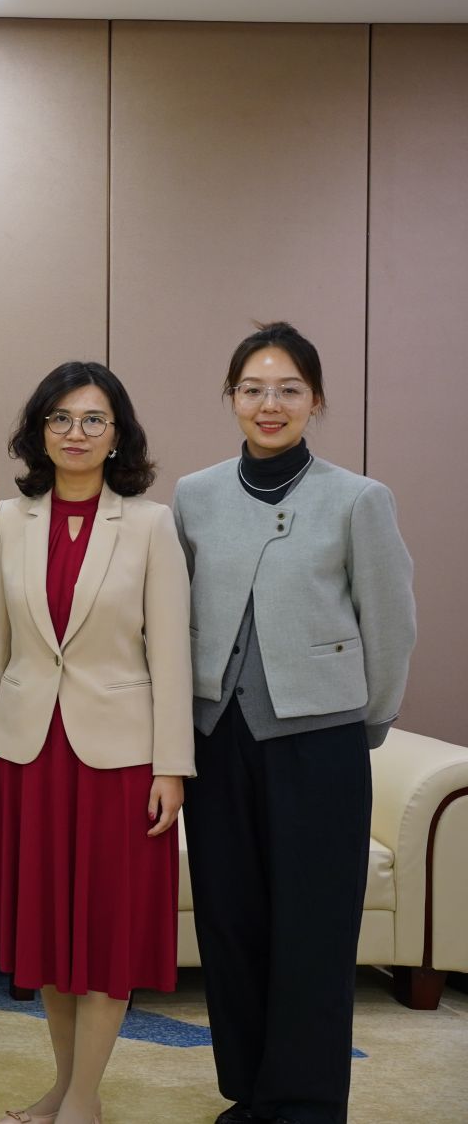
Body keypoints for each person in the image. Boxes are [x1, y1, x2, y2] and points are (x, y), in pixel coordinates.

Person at [173, 322, 414, 1124]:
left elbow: (391, 625)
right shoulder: (195, 495)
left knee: (314, 926)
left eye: (288, 389)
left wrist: (365, 724)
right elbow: (172, 617)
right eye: (253, 389)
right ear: (231, 397)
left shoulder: (358, 498)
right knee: (230, 921)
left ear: (315, 400)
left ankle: (306, 1103)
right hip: (216, 737)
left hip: (321, 741)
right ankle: (250, 1091)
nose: (269, 404)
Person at [0, 362, 192, 1124]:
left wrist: (172, 766)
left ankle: (85, 1100)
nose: (76, 432)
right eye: (60, 418)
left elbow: (171, 654)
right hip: (28, 755)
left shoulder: (151, 523)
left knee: (104, 934)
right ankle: (64, 1088)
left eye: (94, 419)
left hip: (120, 762)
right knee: (49, 936)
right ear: (39, 431)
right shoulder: (9, 519)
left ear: (118, 433)